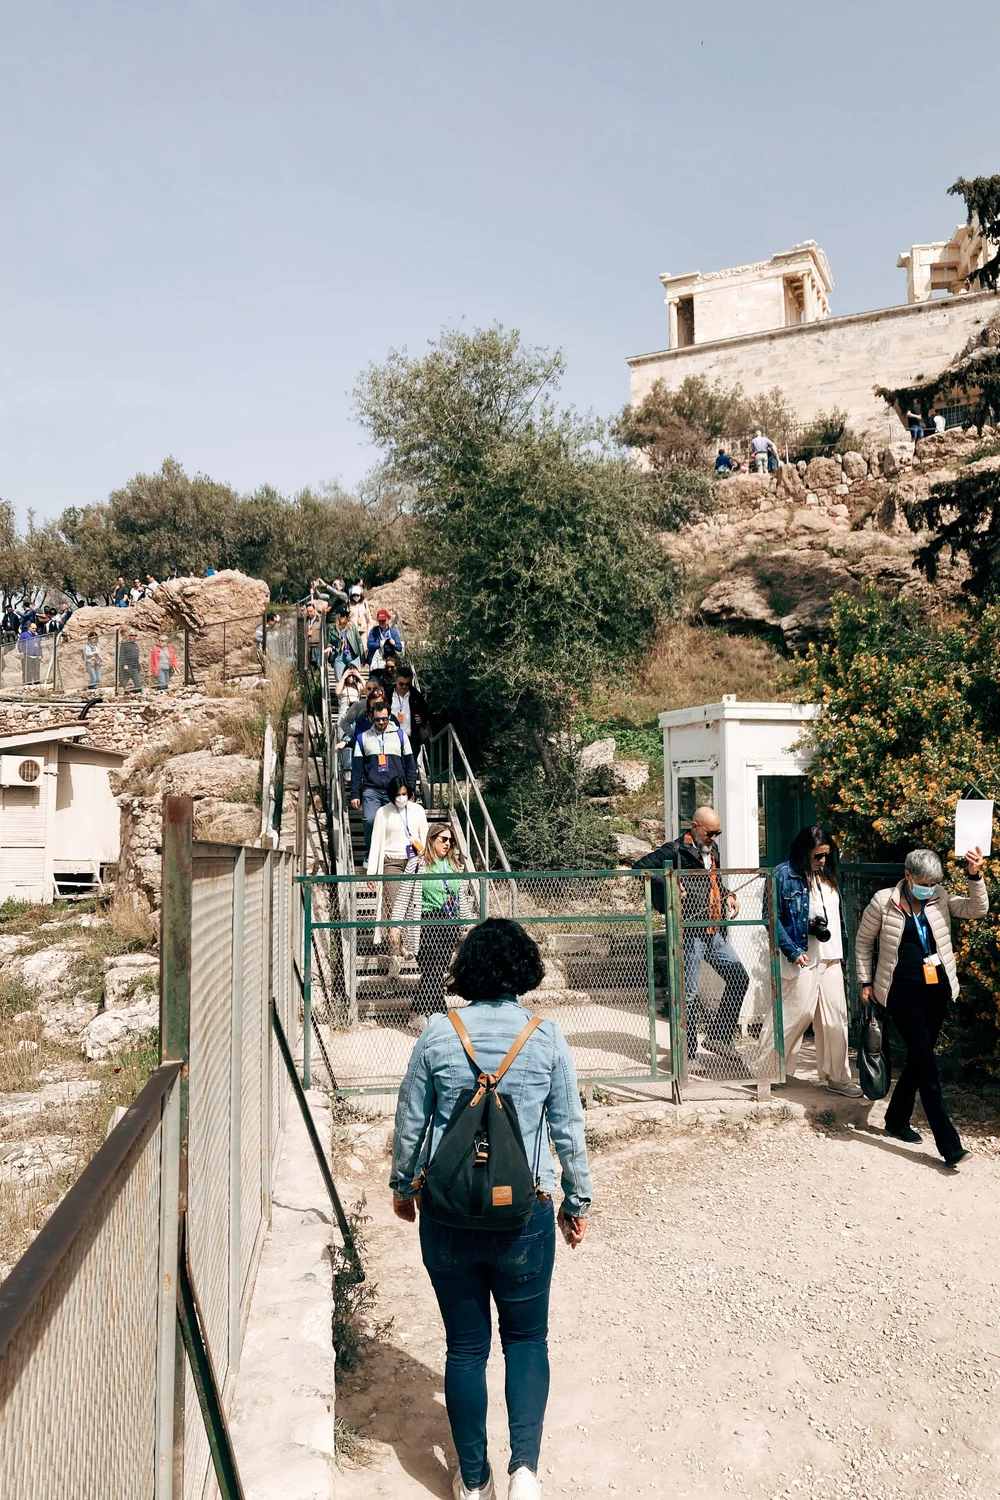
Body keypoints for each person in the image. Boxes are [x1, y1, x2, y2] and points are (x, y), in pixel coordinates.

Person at [390, 918, 591, 1500]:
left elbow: (410, 1125)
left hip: (448, 1213)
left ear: (468, 969)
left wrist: (404, 1188)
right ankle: (524, 1471)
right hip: (523, 1214)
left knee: (465, 1346)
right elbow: (569, 1130)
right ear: (525, 969)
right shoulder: (545, 1036)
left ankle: (473, 1481)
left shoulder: (436, 1033)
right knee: (527, 1339)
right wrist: (576, 1201)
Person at [855, 846, 987, 1166]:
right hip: (901, 993)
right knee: (927, 1067)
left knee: (919, 1056)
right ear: (908, 875)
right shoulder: (883, 901)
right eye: (924, 882)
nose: (929, 887)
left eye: (934, 882)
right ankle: (949, 1144)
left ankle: (896, 1119)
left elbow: (976, 909)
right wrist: (865, 982)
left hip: (936, 990)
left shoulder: (939, 897)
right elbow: (863, 942)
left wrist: (975, 876)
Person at [632, 807, 749, 1067]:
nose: (714, 838)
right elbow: (640, 868)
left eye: (718, 833)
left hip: (712, 931)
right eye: (710, 833)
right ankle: (686, 1054)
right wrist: (669, 882)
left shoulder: (711, 851)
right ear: (695, 827)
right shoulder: (674, 850)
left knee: (739, 978)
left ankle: (719, 1036)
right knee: (689, 994)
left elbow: (712, 881)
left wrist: (728, 894)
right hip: (689, 932)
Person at [769, 826, 861, 1096]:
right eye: (817, 856)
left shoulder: (827, 875)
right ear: (803, 852)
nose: (821, 861)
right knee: (794, 1015)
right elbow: (771, 918)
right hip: (801, 956)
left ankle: (838, 1077)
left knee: (836, 1018)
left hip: (831, 955)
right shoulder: (783, 875)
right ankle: (767, 1068)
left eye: (825, 856)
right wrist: (791, 950)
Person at [390, 822, 475, 1031]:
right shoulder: (418, 864)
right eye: (443, 839)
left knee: (435, 972)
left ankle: (419, 1014)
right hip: (426, 922)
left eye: (451, 840)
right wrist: (396, 925)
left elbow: (461, 898)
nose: (448, 844)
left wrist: (468, 923)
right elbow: (403, 896)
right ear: (431, 840)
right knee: (433, 971)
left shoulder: (455, 866)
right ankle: (441, 1017)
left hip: (449, 923)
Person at [367, 776, 429, 979]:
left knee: (413, 905)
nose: (401, 797)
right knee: (395, 909)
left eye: (404, 793)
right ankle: (394, 956)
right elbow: (376, 842)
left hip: (414, 861)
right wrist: (373, 874)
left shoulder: (418, 810)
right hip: (391, 862)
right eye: (397, 794)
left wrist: (428, 862)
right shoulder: (382, 813)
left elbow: (425, 835)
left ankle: (408, 946)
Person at [350, 702, 418, 853]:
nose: (381, 722)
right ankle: (371, 853)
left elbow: (410, 764)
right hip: (371, 789)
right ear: (371, 718)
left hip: (395, 790)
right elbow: (356, 769)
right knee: (370, 820)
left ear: (389, 717)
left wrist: (411, 789)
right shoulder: (363, 738)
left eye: (384, 719)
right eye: (377, 719)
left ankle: (400, 855)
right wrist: (355, 794)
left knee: (399, 823)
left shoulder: (400, 735)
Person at [391, 664, 430, 748]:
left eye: (407, 684)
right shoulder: (388, 694)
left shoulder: (416, 695)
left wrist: (422, 719)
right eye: (401, 684)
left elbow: (426, 711)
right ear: (396, 681)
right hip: (391, 739)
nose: (404, 687)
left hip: (411, 740)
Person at [329, 607, 363, 681]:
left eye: (346, 615)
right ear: (338, 617)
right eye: (342, 615)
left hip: (352, 655)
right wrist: (330, 646)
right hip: (339, 656)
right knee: (340, 679)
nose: (344, 617)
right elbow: (329, 642)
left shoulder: (352, 627)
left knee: (354, 679)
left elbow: (359, 642)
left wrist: (362, 658)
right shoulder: (332, 629)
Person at [302, 601, 326, 670]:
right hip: (308, 646)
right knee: (309, 666)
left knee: (318, 665)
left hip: (317, 646)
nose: (309, 613)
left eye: (311, 611)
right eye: (308, 611)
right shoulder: (306, 621)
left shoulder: (320, 620)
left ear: (314, 610)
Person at [17, 621, 42, 686]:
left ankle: (37, 683)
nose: (34, 630)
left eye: (35, 628)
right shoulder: (24, 635)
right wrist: (22, 652)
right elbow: (20, 644)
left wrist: (40, 655)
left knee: (36, 670)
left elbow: (39, 646)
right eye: (33, 628)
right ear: (29, 628)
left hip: (36, 656)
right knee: (28, 670)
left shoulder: (37, 636)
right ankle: (28, 683)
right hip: (27, 655)